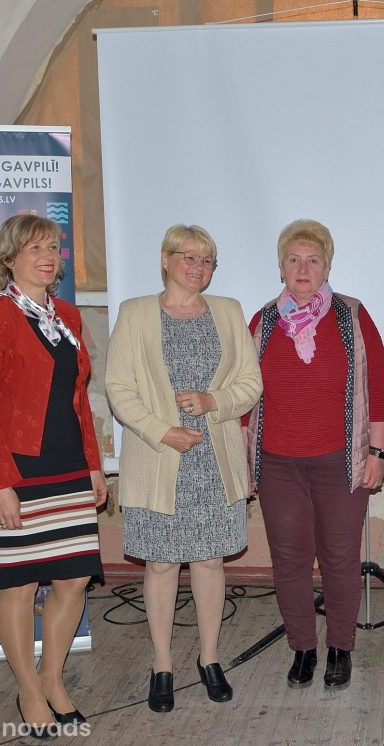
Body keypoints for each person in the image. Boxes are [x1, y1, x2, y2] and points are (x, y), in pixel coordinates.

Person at [105, 224, 262, 713]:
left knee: (211, 562)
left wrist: (213, 401)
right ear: (165, 259)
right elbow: (119, 389)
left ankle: (209, 658)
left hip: (215, 461)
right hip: (157, 461)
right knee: (161, 563)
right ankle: (162, 664)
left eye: (207, 260)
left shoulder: (229, 311)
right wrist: (162, 431)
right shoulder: (135, 313)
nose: (198, 267)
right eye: (188, 256)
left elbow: (251, 383)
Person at [0, 214, 106, 739]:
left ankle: (53, 678)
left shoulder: (66, 315)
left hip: (68, 466)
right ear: (9, 260)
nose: (48, 257)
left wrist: (94, 464)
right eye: (34, 249)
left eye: (52, 248)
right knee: (20, 585)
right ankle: (28, 689)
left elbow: (78, 401)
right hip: (17, 472)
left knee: (73, 579)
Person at [245, 218, 384, 691]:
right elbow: (243, 399)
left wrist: (377, 453)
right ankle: (303, 648)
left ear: (327, 267)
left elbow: (379, 389)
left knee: (340, 558)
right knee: (289, 560)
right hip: (277, 464)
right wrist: (242, 462)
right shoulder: (262, 322)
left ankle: (339, 648)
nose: (303, 268)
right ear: (281, 267)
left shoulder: (352, 316)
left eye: (313, 260)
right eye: (293, 260)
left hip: (340, 461)